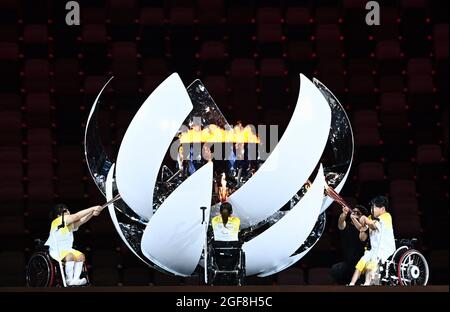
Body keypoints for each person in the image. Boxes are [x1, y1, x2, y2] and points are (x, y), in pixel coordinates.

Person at [45, 203, 103, 286]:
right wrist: (93, 208)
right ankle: (69, 280)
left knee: (81, 256)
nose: (68, 212)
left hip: (68, 249)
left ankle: (76, 280)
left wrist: (92, 213)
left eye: (68, 210)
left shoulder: (68, 225)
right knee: (70, 256)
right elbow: (76, 216)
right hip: (56, 249)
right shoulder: (56, 222)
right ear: (59, 215)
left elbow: (82, 220)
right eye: (65, 212)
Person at [348, 196, 396, 286]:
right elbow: (362, 228)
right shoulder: (371, 217)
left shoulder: (386, 216)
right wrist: (354, 219)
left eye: (374, 207)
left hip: (385, 249)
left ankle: (367, 284)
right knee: (361, 263)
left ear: (382, 209)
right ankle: (351, 284)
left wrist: (365, 219)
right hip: (374, 249)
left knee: (371, 264)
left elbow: (373, 226)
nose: (371, 209)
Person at [330, 204, 370, 284]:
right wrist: (344, 214)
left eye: (357, 213)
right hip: (347, 263)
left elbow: (362, 238)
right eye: (353, 211)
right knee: (335, 269)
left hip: (360, 264)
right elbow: (341, 223)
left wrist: (356, 221)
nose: (354, 213)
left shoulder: (365, 229)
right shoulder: (347, 225)